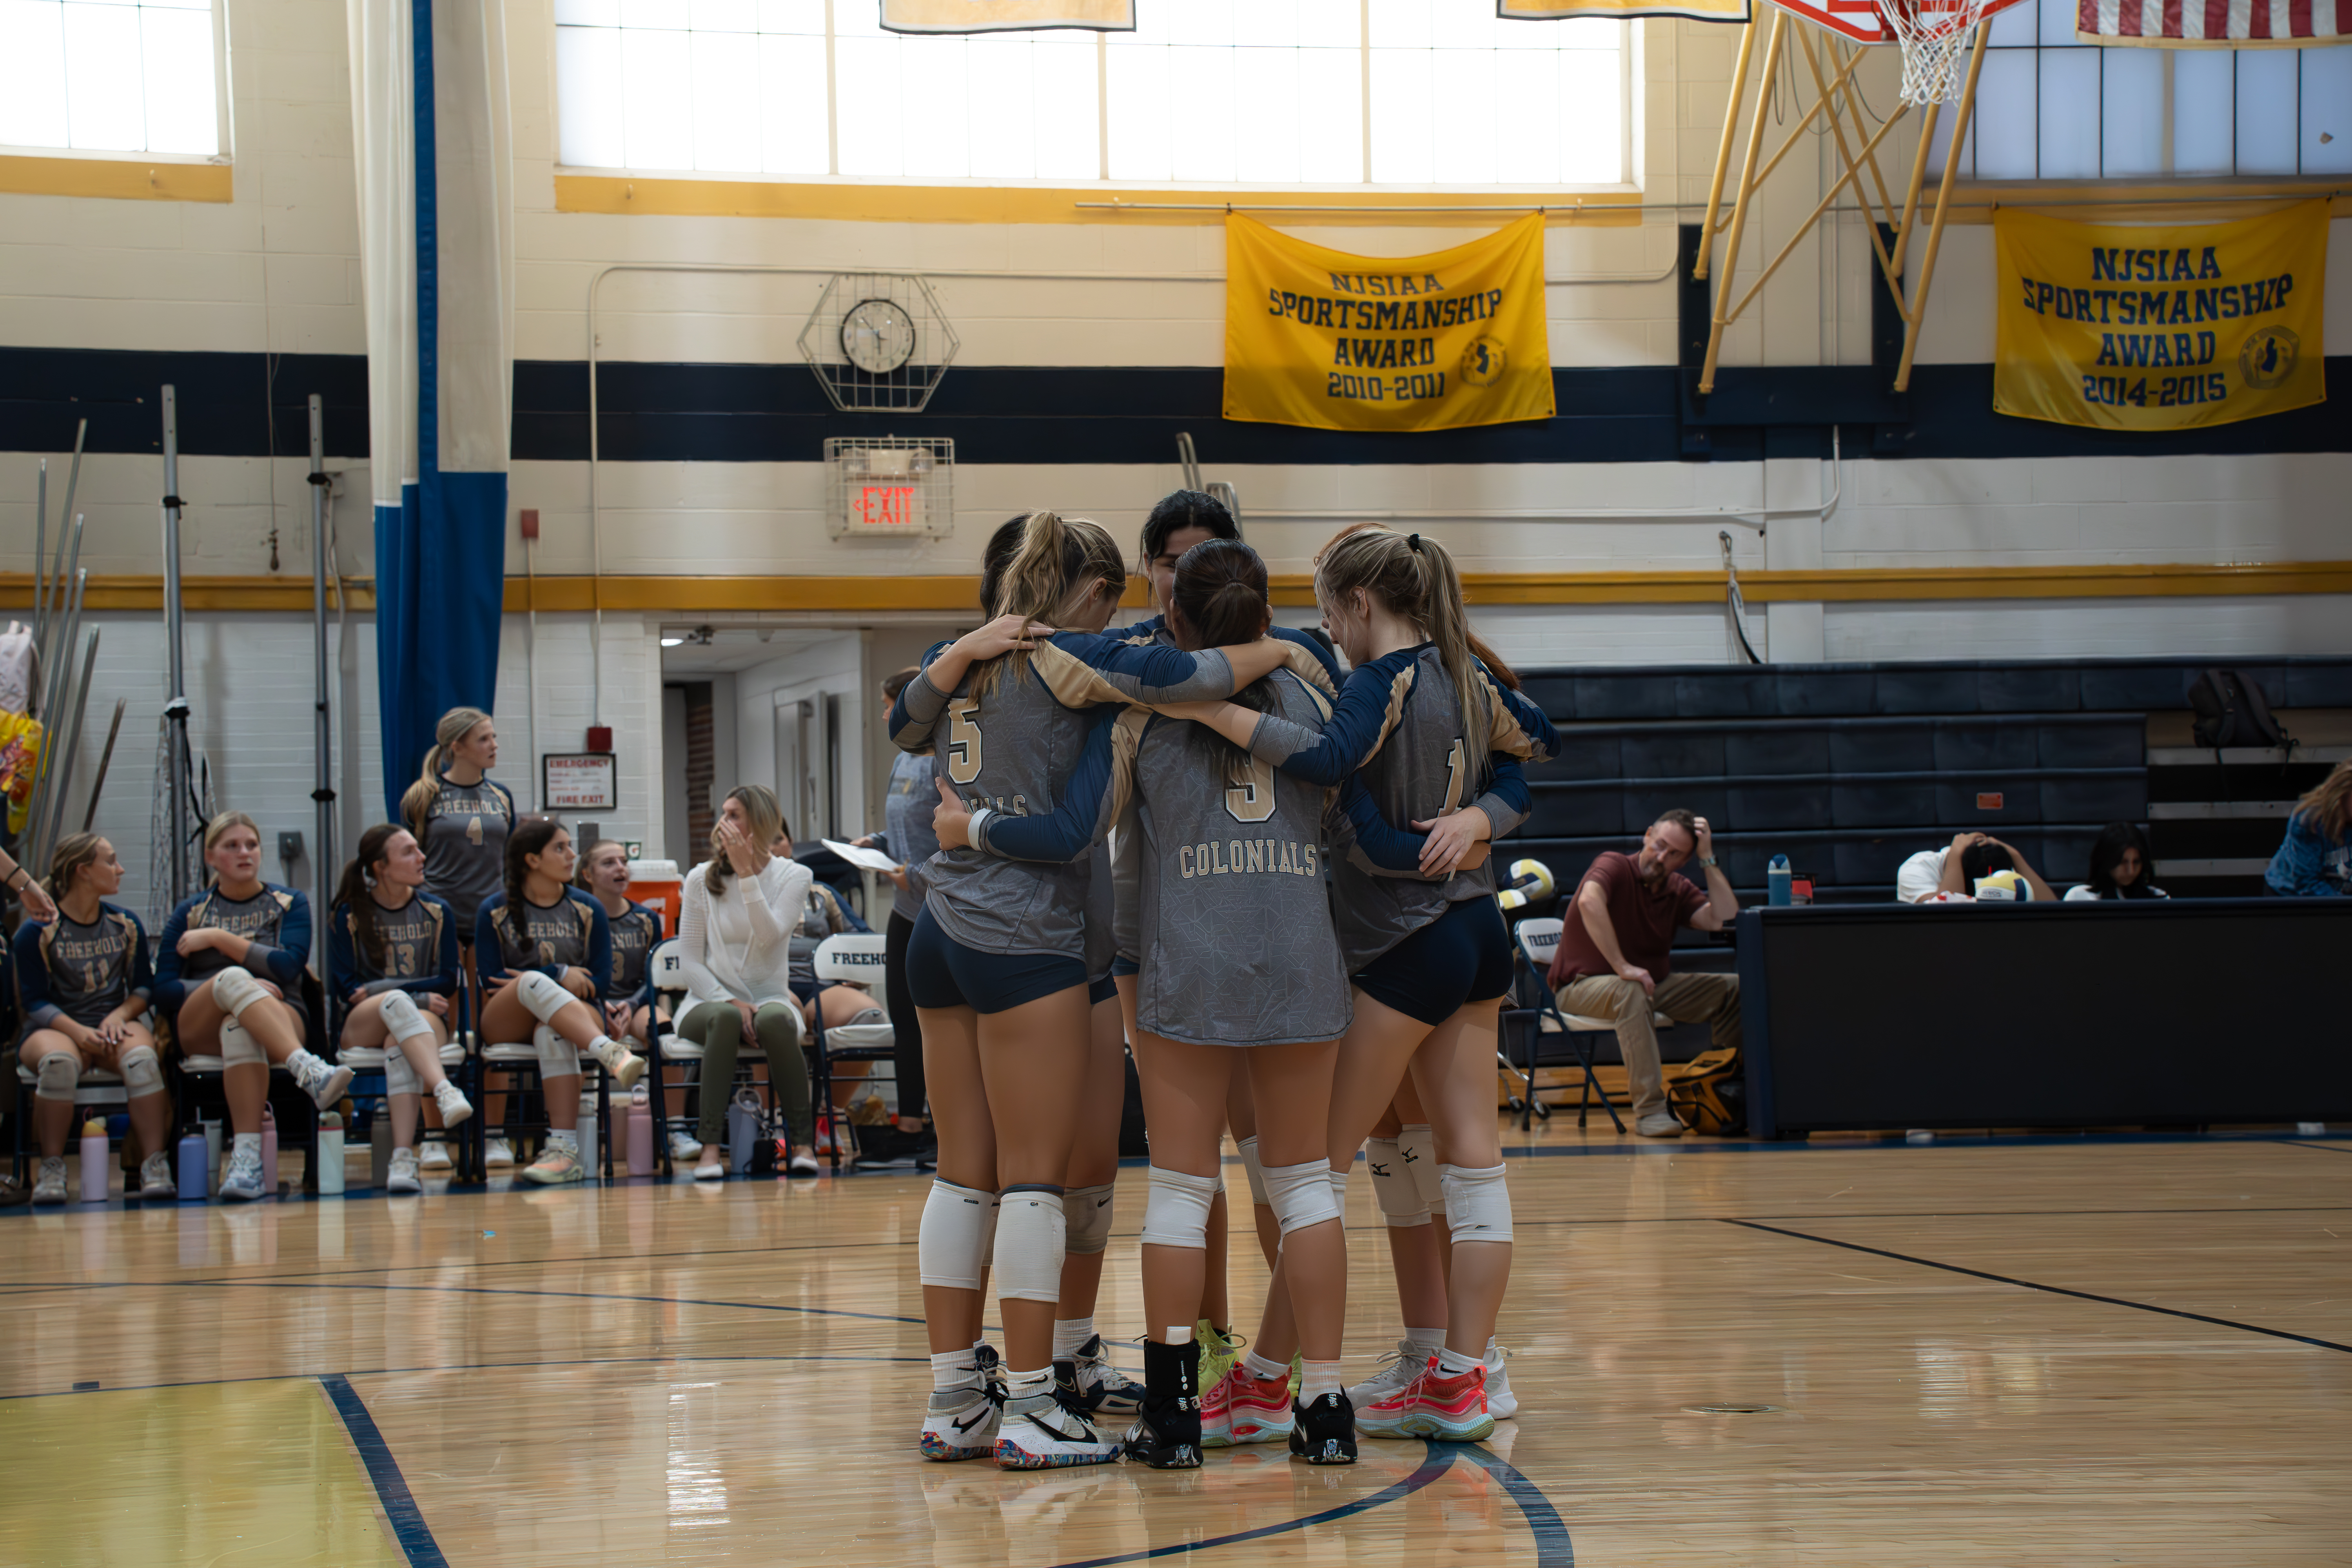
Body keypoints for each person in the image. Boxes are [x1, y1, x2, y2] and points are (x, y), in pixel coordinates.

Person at [947, 537, 1412, 1466]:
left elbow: (1081, 826)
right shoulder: (1319, 686)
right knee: (1307, 1187)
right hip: (1297, 961)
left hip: (1185, 963)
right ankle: (1323, 1409)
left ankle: (1171, 1417)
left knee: (1180, 1190)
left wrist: (979, 816)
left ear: (1180, 622)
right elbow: (1352, 806)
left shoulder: (1142, 710)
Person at [891, 508, 1299, 1471]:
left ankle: (957, 1396)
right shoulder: (1070, 658)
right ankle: (1034, 1402)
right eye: (1108, 595)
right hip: (1020, 938)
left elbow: (904, 717)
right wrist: (1281, 644)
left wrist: (952, 660)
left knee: (963, 1170)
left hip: (938, 935)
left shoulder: (964, 654)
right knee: (1034, 1176)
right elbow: (1198, 676)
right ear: (1085, 592)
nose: (1116, 613)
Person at [1164, 523, 1558, 1445]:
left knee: (1312, 1177)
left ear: (1362, 605)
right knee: (1463, 1163)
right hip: (1475, 934)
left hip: (1405, 945)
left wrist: (1216, 716)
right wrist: (1485, 812)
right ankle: (1460, 1369)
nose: (1325, 628)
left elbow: (1338, 769)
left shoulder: (1383, 682)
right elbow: (1537, 742)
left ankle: (1265, 1380)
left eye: (1329, 609)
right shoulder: (1468, 671)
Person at [156, 811, 354, 1201]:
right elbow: (163, 989)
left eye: (251, 844)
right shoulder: (189, 912)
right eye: (232, 846)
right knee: (233, 981)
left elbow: (287, 966)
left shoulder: (290, 902)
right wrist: (224, 986)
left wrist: (218, 938)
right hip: (200, 1026)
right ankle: (306, 1068)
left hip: (281, 1015)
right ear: (211, 857)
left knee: (240, 1027)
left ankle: (245, 1162)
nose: (245, 852)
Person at [1543, 810, 1742, 1140]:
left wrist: (1708, 859)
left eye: (1675, 853)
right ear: (1648, 835)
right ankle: (1650, 1110)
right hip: (1580, 989)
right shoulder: (1614, 865)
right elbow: (1590, 902)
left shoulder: (1677, 888)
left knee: (1733, 989)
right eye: (1660, 845)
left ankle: (1727, 1088)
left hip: (1649, 986)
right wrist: (1623, 966)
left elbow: (1724, 919)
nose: (1662, 856)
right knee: (1631, 989)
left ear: (1686, 860)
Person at [474, 820, 646, 1185]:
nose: (572, 855)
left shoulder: (588, 908)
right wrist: (560, 972)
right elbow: (492, 981)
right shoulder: (493, 910)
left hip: (571, 1019)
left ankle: (563, 1151)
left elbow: (600, 983)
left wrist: (538, 977)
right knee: (535, 980)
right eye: (561, 848)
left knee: (551, 1029)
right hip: (506, 1017)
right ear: (533, 860)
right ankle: (608, 1051)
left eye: (571, 847)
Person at [673, 786, 820, 1181]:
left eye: (735, 814)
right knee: (725, 1017)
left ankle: (803, 1145)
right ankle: (708, 1150)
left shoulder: (795, 874)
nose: (725, 824)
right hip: (705, 1001)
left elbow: (770, 936)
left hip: (769, 996)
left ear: (761, 821)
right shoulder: (699, 879)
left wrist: (746, 876)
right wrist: (730, 1001)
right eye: (724, 814)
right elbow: (689, 961)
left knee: (776, 1020)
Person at [15, 835, 171, 1204]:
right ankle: (51, 1169)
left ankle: (153, 1164)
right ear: (83, 871)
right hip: (54, 1027)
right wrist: (77, 1032)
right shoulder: (36, 931)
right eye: (111, 861)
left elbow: (143, 989)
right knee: (58, 1064)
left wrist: (119, 1015)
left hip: (111, 1023)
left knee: (144, 1061)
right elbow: (33, 1000)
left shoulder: (125, 923)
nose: (120, 870)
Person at [400, 706, 517, 1170]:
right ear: (457, 747)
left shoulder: (501, 795)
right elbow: (408, 859)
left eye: (493, 736)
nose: (494, 745)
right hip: (440, 921)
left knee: (493, 1030)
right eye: (485, 739)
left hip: (490, 921)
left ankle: (494, 1134)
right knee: (436, 1028)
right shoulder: (423, 795)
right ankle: (433, 1135)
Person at [328, 824, 472, 1194]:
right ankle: (443, 1089)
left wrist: (382, 989)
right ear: (380, 866)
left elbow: (447, 980)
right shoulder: (348, 914)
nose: (421, 858)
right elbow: (346, 988)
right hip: (365, 1024)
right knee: (394, 1004)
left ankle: (403, 1158)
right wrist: (414, 995)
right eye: (409, 852)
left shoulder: (437, 911)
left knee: (399, 1041)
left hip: (419, 1020)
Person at [850, 666, 936, 1169]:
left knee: (938, 1022)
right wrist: (877, 845)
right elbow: (903, 830)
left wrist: (916, 874)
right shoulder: (904, 759)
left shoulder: (945, 762)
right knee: (904, 1019)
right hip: (906, 907)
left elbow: (956, 838)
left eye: (891, 704)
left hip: (940, 906)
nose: (887, 715)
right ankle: (909, 1123)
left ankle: (944, 1126)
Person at [2265, 759, 2352, 897]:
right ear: (2341, 794)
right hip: (2290, 895)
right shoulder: (2310, 820)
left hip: (2339, 891)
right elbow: (2307, 883)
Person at [1895, 831, 2057, 904]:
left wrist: (2015, 856)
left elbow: (2051, 909)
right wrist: (1956, 855)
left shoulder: (1996, 867)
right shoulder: (1917, 868)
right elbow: (1944, 913)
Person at [2065, 822, 2167, 901]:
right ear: (2106, 860)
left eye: (2136, 862)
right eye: (2123, 862)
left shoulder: (2158, 898)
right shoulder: (2079, 897)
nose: (2131, 871)